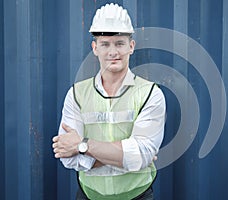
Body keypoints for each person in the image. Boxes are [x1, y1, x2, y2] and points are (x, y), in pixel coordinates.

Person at [52, 3, 166, 200]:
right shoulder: (77, 94)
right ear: (95, 48)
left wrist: (82, 146)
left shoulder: (150, 93)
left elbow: (142, 154)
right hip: (89, 195)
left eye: (119, 43)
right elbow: (69, 159)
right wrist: (127, 156)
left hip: (138, 195)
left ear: (131, 46)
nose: (113, 52)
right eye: (105, 44)